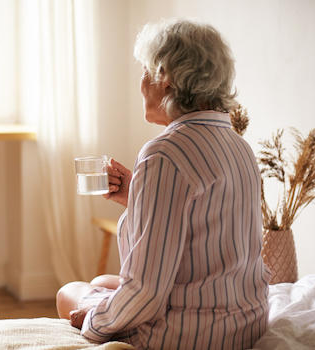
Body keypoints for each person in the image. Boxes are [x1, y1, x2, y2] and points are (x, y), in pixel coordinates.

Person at [56, 19, 270, 349]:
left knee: (68, 293)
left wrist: (93, 319)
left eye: (144, 70)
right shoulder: (238, 146)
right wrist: (136, 196)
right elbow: (204, 227)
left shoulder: (165, 154)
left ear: (164, 76)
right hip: (245, 322)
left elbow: (146, 291)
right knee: (101, 281)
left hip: (191, 334)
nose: (141, 82)